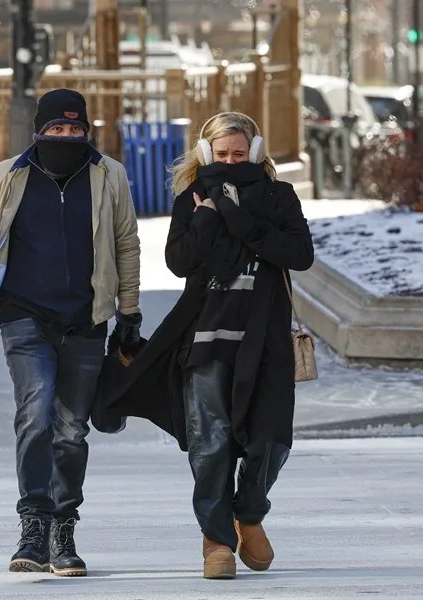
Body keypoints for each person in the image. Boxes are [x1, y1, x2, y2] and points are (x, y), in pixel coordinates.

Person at [0, 88, 142, 577]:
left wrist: (128, 315)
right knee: (36, 413)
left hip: (87, 320)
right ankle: (33, 523)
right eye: (57, 128)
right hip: (25, 315)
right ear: (40, 131)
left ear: (87, 131)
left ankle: (63, 529)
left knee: (71, 430)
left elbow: (126, 245)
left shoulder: (109, 175)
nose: (66, 136)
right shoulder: (11, 175)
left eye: (75, 129)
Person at [93, 112, 314, 579]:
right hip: (204, 337)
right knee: (210, 443)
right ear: (204, 154)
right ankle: (217, 540)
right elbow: (179, 262)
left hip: (265, 339)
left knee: (272, 441)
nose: (230, 161)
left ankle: (249, 515)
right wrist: (209, 218)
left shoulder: (279, 197)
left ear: (255, 152)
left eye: (239, 153)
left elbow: (299, 255)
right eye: (222, 154)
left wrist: (237, 215)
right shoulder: (190, 199)